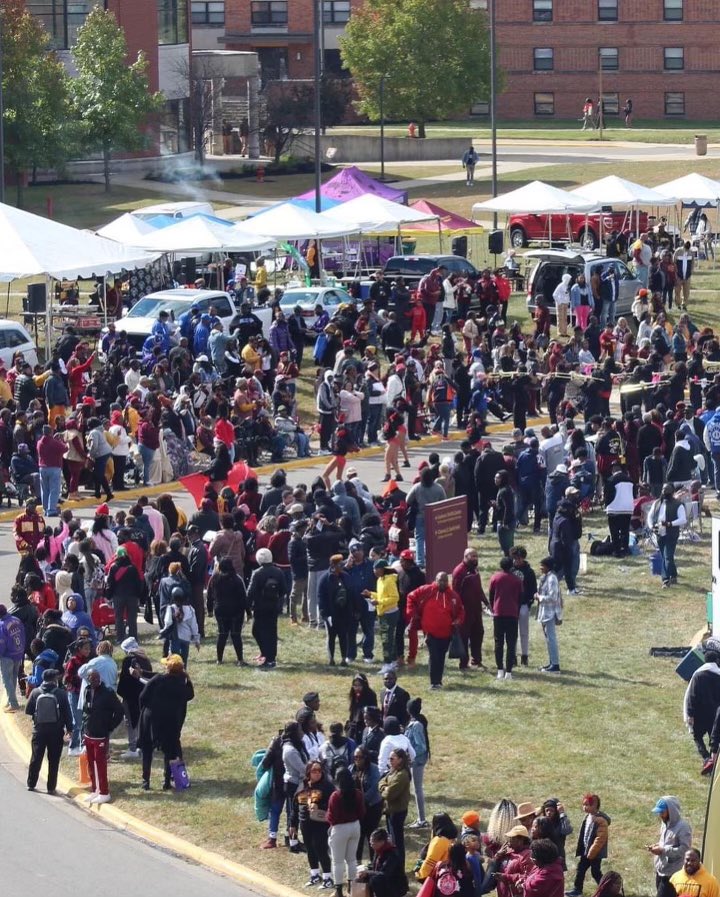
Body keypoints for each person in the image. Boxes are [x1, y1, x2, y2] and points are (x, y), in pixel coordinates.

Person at [139, 653, 194, 791]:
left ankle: (146, 781)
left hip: (151, 718)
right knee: (169, 752)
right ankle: (166, 782)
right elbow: (190, 694)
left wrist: (145, 711)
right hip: (170, 721)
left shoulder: (158, 679)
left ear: (168, 668)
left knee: (147, 750)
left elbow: (142, 696)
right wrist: (188, 679)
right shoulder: (181, 685)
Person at [408, 572, 464, 689]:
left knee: (441, 656)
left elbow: (460, 611)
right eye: (440, 581)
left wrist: (458, 621)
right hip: (430, 632)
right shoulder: (426, 590)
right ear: (435, 580)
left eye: (445, 581)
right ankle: (434, 682)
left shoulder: (453, 596)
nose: (442, 583)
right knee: (434, 656)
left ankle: (438, 680)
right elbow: (411, 597)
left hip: (446, 633)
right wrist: (413, 613)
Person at [25, 667, 73, 794]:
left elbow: (28, 710)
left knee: (36, 757)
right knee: (54, 760)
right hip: (56, 732)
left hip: (39, 731)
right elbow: (67, 714)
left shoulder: (35, 692)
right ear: (54, 679)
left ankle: (31, 784)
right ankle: (51, 788)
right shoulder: (61, 693)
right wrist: (69, 729)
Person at [82, 668, 124, 804]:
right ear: (88, 679)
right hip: (89, 733)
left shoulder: (108, 693)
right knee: (91, 764)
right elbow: (86, 711)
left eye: (97, 678)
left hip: (101, 735)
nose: (95, 680)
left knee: (100, 764)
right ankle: (95, 790)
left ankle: (104, 792)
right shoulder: (87, 691)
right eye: (92, 678)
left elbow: (120, 711)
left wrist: (110, 726)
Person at [291, 759, 335, 888]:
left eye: (320, 771)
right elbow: (295, 807)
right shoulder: (303, 786)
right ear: (308, 772)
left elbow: (333, 804)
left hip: (320, 823)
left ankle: (327, 877)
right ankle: (315, 875)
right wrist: (292, 824)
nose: (317, 773)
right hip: (305, 823)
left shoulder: (327, 786)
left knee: (320, 848)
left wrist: (320, 806)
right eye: (314, 771)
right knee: (310, 848)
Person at [327, 766, 365, 897]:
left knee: (337, 861)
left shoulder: (335, 796)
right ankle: (351, 889)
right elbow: (362, 812)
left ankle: (338, 892)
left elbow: (331, 817)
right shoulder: (358, 794)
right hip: (355, 826)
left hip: (339, 828)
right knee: (352, 860)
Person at [247, 547, 287, 669]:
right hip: (273, 606)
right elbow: (284, 590)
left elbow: (251, 592)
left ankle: (268, 658)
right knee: (271, 632)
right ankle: (269, 656)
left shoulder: (257, 573)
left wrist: (247, 606)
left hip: (260, 607)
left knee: (257, 631)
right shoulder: (279, 572)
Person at [566, 794, 610, 897]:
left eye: (587, 805)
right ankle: (577, 890)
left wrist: (592, 852)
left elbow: (600, 839)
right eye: (583, 805)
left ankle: (607, 891)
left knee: (595, 872)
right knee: (580, 869)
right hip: (586, 851)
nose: (584, 807)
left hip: (595, 852)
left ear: (595, 805)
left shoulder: (600, 820)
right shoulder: (588, 817)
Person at [648, 796, 693, 897]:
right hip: (661, 870)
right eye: (659, 812)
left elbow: (685, 850)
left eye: (662, 812)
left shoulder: (683, 827)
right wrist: (656, 846)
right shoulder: (665, 823)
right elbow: (665, 842)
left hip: (673, 874)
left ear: (671, 811)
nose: (660, 815)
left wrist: (663, 850)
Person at [206, 557, 248, 665]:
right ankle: (240, 660)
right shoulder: (237, 579)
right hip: (236, 611)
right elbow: (243, 597)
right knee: (236, 635)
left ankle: (219, 660)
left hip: (220, 610)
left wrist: (210, 610)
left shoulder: (214, 578)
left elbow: (209, 595)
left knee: (222, 634)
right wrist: (248, 612)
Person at [452, 547, 488, 669]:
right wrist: (458, 610)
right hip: (465, 611)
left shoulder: (475, 570)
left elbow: (479, 588)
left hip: (476, 609)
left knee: (478, 633)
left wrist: (486, 602)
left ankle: (476, 660)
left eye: (476, 556)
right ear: (465, 556)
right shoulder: (459, 571)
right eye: (472, 556)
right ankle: (463, 663)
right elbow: (455, 593)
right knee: (464, 636)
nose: (475, 558)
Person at [318, 553, 356, 667]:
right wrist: (324, 613)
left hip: (343, 613)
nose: (342, 566)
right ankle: (331, 659)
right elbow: (321, 597)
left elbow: (351, 593)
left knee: (343, 636)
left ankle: (344, 658)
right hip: (331, 613)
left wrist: (353, 609)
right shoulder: (324, 579)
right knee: (331, 636)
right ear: (333, 565)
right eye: (340, 564)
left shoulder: (345, 576)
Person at [489, 557, 523, 681]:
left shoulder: (495, 578)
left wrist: (493, 608)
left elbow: (491, 595)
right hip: (512, 614)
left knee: (498, 642)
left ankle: (499, 670)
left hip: (498, 614)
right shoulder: (517, 580)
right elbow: (520, 597)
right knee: (511, 643)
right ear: (511, 566)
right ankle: (508, 671)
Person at [647, 484, 687, 588]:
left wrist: (670, 524)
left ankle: (665, 579)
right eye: (664, 491)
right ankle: (673, 575)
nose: (665, 493)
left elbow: (683, 519)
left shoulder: (678, 505)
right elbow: (650, 516)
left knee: (667, 556)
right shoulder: (656, 503)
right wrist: (651, 526)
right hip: (659, 533)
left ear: (672, 493)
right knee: (665, 556)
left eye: (667, 492)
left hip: (671, 534)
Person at [363, 560, 400, 668]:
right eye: (373, 569)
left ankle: (388, 663)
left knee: (386, 639)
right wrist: (371, 594)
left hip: (389, 613)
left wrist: (379, 602)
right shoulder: (380, 580)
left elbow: (395, 598)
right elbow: (381, 595)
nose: (374, 571)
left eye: (376, 569)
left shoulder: (389, 581)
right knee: (389, 638)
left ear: (383, 569)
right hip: (382, 613)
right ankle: (393, 661)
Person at [378, 748, 411, 866]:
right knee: (392, 840)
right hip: (390, 811)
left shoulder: (402, 775)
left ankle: (399, 866)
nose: (390, 760)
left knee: (397, 842)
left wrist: (385, 788)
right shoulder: (393, 771)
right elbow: (381, 781)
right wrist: (385, 787)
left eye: (392, 758)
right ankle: (395, 865)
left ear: (400, 760)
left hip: (397, 812)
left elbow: (389, 794)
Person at [106, 546, 143, 642]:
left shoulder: (113, 567)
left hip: (118, 596)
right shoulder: (132, 567)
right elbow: (138, 582)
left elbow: (110, 583)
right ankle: (133, 638)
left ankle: (120, 638)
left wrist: (108, 595)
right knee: (132, 618)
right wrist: (139, 595)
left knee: (119, 618)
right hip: (132, 596)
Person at [356, 827, 408, 897]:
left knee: (375, 879)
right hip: (385, 881)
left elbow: (385, 874)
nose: (371, 845)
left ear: (382, 842)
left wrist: (368, 873)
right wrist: (365, 870)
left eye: (373, 842)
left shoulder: (392, 854)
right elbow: (375, 868)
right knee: (362, 878)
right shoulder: (378, 851)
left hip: (395, 885)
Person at [405, 697, 429, 830]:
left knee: (417, 789)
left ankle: (422, 819)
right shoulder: (414, 723)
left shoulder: (416, 725)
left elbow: (421, 746)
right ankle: (421, 818)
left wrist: (410, 755)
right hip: (415, 761)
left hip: (417, 761)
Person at [535, 557, 563, 673]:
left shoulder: (552, 579)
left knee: (551, 639)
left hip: (550, 613)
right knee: (548, 639)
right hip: (545, 612)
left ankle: (555, 665)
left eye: (542, 566)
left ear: (548, 566)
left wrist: (539, 597)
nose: (540, 568)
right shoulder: (546, 577)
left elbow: (552, 597)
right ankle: (552, 663)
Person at [0, 603, 25, 711]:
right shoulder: (16, 620)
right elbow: (23, 635)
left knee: (7, 680)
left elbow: (2, 642)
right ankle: (11, 700)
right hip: (18, 653)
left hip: (7, 655)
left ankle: (13, 703)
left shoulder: (2, 625)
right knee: (13, 678)